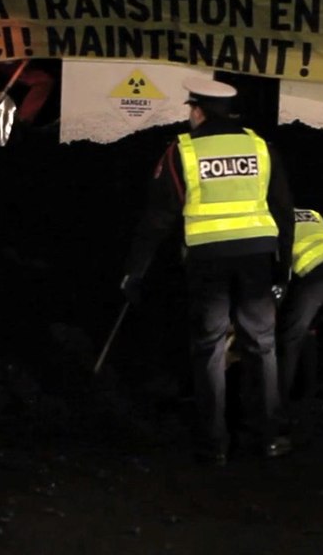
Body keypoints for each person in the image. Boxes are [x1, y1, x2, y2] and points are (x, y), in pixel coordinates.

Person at [121, 76, 295, 465]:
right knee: (262, 346)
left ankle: (214, 444)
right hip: (257, 257)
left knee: (210, 348)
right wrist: (283, 267)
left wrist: (135, 270)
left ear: (198, 111)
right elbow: (283, 210)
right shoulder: (260, 146)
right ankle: (270, 437)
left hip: (208, 260)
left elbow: (157, 219)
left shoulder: (181, 151)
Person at [276, 208, 323, 408]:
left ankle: (278, 403)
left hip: (313, 278)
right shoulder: (314, 213)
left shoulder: (275, 217)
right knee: (310, 330)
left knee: (289, 339)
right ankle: (309, 391)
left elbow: (278, 259)